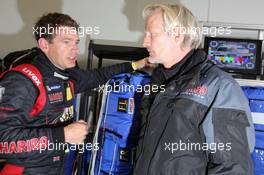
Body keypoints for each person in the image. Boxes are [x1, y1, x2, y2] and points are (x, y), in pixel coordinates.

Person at [0, 13, 148, 174]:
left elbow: (99, 75)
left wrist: (135, 65)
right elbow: (3, 141)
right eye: (66, 42)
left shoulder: (67, 77)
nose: (75, 49)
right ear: (44, 44)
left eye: (76, 42)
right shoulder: (22, 80)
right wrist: (63, 135)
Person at [133, 3, 255, 175]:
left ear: (176, 34)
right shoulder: (159, 83)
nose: (144, 41)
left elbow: (233, 168)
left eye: (152, 34)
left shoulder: (219, 87)